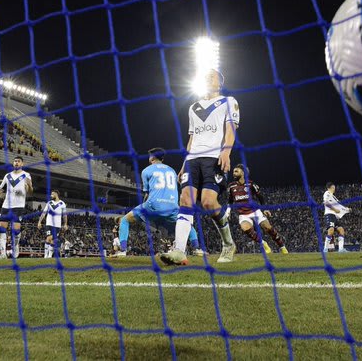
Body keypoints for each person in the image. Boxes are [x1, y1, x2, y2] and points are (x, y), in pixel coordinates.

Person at [161, 69, 239, 265]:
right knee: (185, 199)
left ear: (220, 82)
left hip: (214, 157)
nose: (207, 78)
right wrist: (183, 163)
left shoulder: (229, 101)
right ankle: (179, 251)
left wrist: (226, 151)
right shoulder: (193, 107)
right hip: (193, 159)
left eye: (211, 76)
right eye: (205, 76)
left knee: (207, 202)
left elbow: (230, 130)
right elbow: (192, 138)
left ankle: (228, 244)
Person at [114, 148, 202, 259]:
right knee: (186, 223)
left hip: (153, 205)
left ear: (151, 157)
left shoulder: (146, 170)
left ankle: (122, 251)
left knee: (125, 220)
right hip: (172, 207)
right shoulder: (172, 171)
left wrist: (143, 209)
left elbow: (147, 193)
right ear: (162, 158)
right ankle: (197, 249)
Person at [228, 164, 288, 255]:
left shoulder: (251, 184)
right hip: (243, 214)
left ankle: (282, 246)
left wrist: (264, 209)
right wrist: (228, 211)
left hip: (255, 211)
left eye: (236, 171)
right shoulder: (231, 186)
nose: (234, 173)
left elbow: (260, 197)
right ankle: (264, 244)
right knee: (245, 229)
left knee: (268, 228)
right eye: (233, 172)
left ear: (243, 173)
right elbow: (230, 200)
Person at [0, 156, 33, 259]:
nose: (16, 163)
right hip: (6, 206)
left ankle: (15, 246)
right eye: (15, 161)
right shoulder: (8, 176)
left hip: (18, 206)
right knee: (1, 228)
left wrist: (29, 186)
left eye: (18, 161)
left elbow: (30, 192)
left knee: (16, 231)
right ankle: (3, 254)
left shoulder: (26, 175)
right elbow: (0, 190)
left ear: (22, 164)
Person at [37, 190, 67, 258]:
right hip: (49, 223)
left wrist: (65, 224)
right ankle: (46, 255)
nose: (51, 195)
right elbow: (44, 213)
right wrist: (39, 222)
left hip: (57, 225)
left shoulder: (62, 203)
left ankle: (49, 255)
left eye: (52, 194)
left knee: (53, 240)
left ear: (56, 194)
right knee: (49, 237)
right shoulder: (49, 203)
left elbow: (64, 215)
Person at [323, 182, 350, 253]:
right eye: (333, 188)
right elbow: (326, 203)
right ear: (328, 188)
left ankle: (341, 249)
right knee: (331, 230)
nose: (334, 189)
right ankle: (325, 249)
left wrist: (347, 209)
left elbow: (339, 206)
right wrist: (335, 210)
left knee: (341, 230)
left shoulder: (334, 197)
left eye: (334, 188)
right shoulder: (327, 193)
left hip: (334, 216)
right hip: (329, 214)